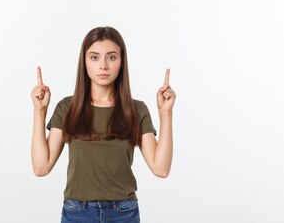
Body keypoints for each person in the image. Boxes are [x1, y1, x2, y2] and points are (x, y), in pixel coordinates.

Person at [30, 26, 176, 223]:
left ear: (122, 62)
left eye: (112, 57)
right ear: (84, 62)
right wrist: (39, 111)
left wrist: (165, 113)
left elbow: (161, 169)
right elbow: (41, 167)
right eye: (94, 57)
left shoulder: (136, 110)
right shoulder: (68, 107)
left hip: (123, 213)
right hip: (77, 213)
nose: (103, 66)